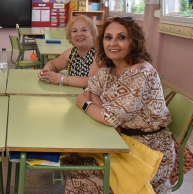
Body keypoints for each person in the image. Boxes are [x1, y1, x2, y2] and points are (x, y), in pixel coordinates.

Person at [63, 16, 175, 194]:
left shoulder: (140, 73)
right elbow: (91, 90)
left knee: (79, 176)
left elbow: (109, 116)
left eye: (121, 37)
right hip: (118, 139)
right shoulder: (110, 70)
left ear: (134, 42)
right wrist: (101, 110)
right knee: (71, 159)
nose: (113, 43)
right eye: (108, 37)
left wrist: (88, 106)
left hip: (146, 151)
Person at [38, 15, 99, 88]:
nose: (79, 34)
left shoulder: (99, 54)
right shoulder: (72, 52)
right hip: (73, 95)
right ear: (70, 36)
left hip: (91, 98)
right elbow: (53, 64)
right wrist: (46, 71)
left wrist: (61, 79)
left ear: (93, 33)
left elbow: (93, 82)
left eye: (84, 30)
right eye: (74, 31)